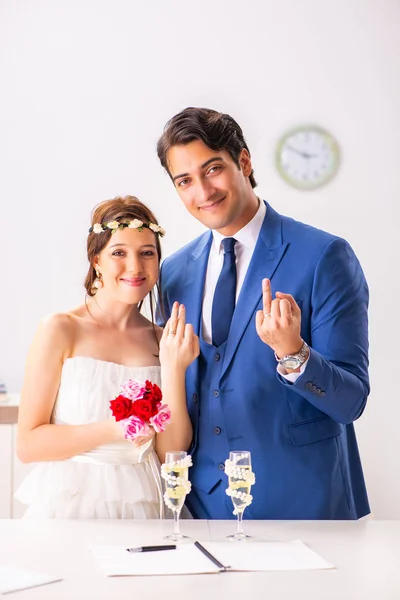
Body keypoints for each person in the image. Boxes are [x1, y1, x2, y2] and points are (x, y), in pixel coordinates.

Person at [156, 107, 370, 520]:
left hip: (305, 505)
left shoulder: (324, 256)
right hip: (203, 511)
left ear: (245, 161)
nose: (202, 191)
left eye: (212, 169)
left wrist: (295, 354)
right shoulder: (174, 272)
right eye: (185, 181)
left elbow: (351, 401)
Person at [15, 195, 199, 519]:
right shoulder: (60, 329)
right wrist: (117, 429)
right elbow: (29, 445)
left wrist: (173, 368)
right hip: (72, 503)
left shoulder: (164, 340)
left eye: (147, 253)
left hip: (147, 501)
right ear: (96, 261)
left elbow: (171, 452)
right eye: (119, 253)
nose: (135, 267)